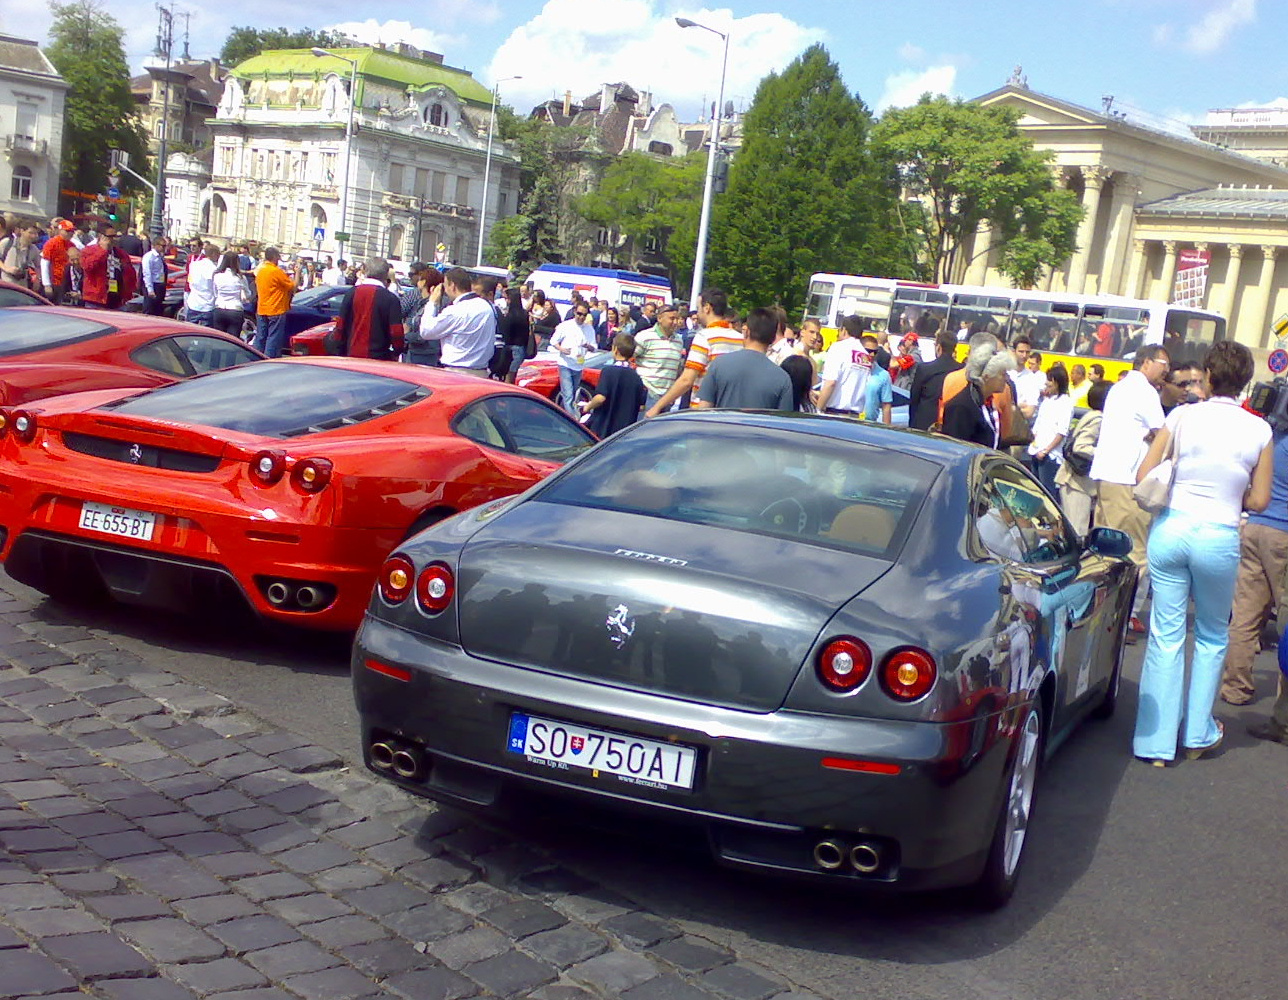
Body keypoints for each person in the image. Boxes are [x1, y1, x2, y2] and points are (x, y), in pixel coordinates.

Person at [1132, 342, 1273, 766]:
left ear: (1208, 378)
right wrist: (1232, 489)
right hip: (1218, 533)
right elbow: (1261, 499)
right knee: (1212, 635)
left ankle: (1155, 743)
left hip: (1173, 527)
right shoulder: (1259, 431)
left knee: (1166, 635)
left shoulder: (1181, 416)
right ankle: (1197, 734)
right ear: (1245, 382)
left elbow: (1143, 475)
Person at [1090, 345, 1170, 634]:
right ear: (1146, 362)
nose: (1166, 371)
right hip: (1127, 478)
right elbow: (1163, 433)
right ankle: (1126, 612)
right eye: (1163, 363)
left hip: (1108, 476)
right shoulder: (1144, 391)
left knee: (1105, 548)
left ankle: (1101, 608)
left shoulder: (1120, 388)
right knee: (1135, 552)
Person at [1220, 421, 1288, 709]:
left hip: (1256, 526)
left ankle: (1235, 687)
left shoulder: (1275, 438)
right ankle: (1283, 708)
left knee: (1246, 614)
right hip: (1284, 533)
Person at [645, 288, 741, 417]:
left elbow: (687, 380)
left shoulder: (705, 337)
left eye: (698, 307)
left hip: (703, 412)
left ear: (707, 308)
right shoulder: (740, 339)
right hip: (729, 413)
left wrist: (657, 407)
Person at [693, 307, 794, 411]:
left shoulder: (718, 364)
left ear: (747, 332)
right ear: (773, 338)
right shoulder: (782, 379)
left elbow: (704, 409)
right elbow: (782, 420)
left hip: (720, 426)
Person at [414, 266, 497, 377]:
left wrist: (432, 303)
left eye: (445, 286)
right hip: (481, 372)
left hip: (456, 373)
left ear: (452, 286)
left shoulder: (455, 310)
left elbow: (426, 331)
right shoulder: (487, 307)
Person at [1056, 380, 1109, 537]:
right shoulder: (1098, 419)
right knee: (1077, 532)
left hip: (1076, 482)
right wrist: (1105, 453)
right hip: (1076, 483)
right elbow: (1081, 447)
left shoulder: (1093, 415)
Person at [942, 341, 1018, 448]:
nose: (1006, 379)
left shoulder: (986, 402)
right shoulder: (961, 407)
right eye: (1002, 374)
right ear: (986, 377)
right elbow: (954, 450)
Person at [330, 257, 405, 360]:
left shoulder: (351, 293)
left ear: (364, 270)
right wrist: (397, 352)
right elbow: (396, 332)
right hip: (379, 358)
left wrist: (339, 350)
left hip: (351, 354)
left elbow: (340, 326)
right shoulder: (391, 299)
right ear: (386, 273)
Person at [580, 333, 646, 437]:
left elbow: (600, 398)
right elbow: (641, 407)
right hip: (624, 431)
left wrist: (587, 407)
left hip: (604, 428)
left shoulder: (608, 371)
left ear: (615, 349)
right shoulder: (636, 377)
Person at [1026, 364, 1073, 495]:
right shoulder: (1047, 401)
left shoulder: (1066, 403)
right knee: (1035, 489)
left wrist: (1046, 450)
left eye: (1050, 381)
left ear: (1057, 383)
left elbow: (1062, 432)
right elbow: (1038, 424)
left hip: (1050, 455)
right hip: (1036, 450)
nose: (1046, 384)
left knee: (1048, 491)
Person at [815, 315, 873, 416]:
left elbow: (831, 382)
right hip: (855, 415)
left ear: (844, 330)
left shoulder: (838, 348)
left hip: (835, 414)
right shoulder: (865, 355)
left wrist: (818, 409)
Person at [633, 303, 685, 410]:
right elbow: (630, 360)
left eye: (677, 319)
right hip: (648, 395)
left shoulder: (679, 340)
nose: (675, 322)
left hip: (667, 398)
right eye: (672, 318)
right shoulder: (645, 337)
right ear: (660, 318)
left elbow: (677, 368)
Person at [548, 300, 597, 411]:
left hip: (578, 365)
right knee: (568, 395)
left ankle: (563, 415)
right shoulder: (565, 325)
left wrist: (588, 346)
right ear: (574, 312)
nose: (581, 317)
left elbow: (594, 347)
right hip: (565, 363)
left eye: (584, 315)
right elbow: (553, 341)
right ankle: (573, 419)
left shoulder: (589, 329)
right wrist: (562, 349)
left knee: (573, 395)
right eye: (579, 314)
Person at [908, 330, 962, 430]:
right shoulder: (961, 370)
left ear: (938, 347)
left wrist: (912, 425)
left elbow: (914, 399)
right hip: (951, 426)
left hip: (924, 424)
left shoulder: (924, 369)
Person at [79, 227, 137, 310]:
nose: (114, 239)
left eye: (115, 236)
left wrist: (128, 293)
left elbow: (130, 273)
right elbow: (88, 267)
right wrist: (103, 251)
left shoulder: (120, 254)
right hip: (97, 298)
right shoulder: (89, 251)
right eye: (110, 237)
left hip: (117, 298)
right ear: (101, 237)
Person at [253, 247, 296, 357]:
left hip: (262, 309)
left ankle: (255, 358)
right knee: (273, 338)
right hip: (275, 310)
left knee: (260, 337)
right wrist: (298, 272)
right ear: (275, 257)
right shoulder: (276, 271)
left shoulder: (261, 271)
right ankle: (268, 360)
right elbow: (292, 286)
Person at [405, 268, 444, 366]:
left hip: (425, 355)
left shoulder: (435, 305)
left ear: (424, 282)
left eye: (420, 279)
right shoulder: (420, 302)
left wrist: (405, 334)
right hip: (416, 352)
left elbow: (424, 333)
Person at [212, 252, 251, 338]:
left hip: (220, 308)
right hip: (235, 309)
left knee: (218, 338)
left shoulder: (217, 275)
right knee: (232, 339)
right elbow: (248, 294)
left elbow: (215, 293)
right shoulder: (240, 277)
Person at [39, 219, 75, 303]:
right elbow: (44, 263)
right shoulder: (52, 243)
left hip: (65, 283)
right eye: (68, 231)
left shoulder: (72, 245)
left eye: (72, 231)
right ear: (60, 230)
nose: (71, 233)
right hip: (53, 282)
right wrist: (47, 284)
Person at [500, 285, 530, 383]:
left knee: (508, 378)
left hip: (511, 348)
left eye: (507, 299)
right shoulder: (524, 314)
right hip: (521, 347)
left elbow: (506, 333)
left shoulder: (510, 315)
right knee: (514, 376)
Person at [860, 335, 894, 425]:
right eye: (869, 351)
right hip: (851, 419)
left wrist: (886, 429)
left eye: (875, 352)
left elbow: (886, 405)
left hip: (870, 423)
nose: (872, 355)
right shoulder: (852, 369)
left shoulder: (883, 375)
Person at [184, 243, 219, 327]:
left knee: (189, 331)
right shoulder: (214, 269)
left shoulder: (194, 265)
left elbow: (190, 282)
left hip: (194, 302)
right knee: (205, 334)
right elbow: (215, 288)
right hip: (208, 304)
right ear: (213, 254)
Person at [0, 223, 38, 288]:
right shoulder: (7, 243)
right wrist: (7, 269)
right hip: (4, 285)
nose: (33, 236)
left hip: (21, 288)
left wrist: (37, 280)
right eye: (30, 233)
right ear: (22, 231)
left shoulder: (34, 249)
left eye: (35, 234)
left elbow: (38, 266)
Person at [1011, 348, 1046, 419]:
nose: (1030, 366)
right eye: (1029, 363)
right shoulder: (1025, 374)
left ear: (1039, 363)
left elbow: (1040, 391)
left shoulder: (1042, 376)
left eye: (1033, 364)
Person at [140, 237, 169, 316]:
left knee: (158, 311)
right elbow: (147, 274)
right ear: (155, 245)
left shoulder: (160, 257)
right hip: (153, 285)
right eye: (162, 246)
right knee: (149, 310)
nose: (163, 248)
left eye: (165, 246)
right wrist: (150, 289)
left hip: (160, 285)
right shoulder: (149, 256)